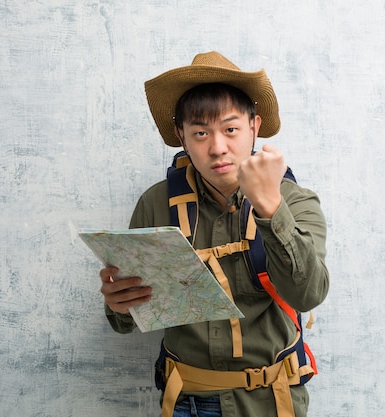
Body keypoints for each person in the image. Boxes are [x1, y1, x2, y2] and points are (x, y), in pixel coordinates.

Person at [99, 51, 329, 417]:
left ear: (255, 126)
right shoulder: (156, 204)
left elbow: (309, 293)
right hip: (186, 401)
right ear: (182, 137)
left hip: (271, 402)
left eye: (231, 129)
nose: (217, 147)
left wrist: (270, 208)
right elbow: (126, 322)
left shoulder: (295, 201)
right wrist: (118, 303)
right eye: (201, 132)